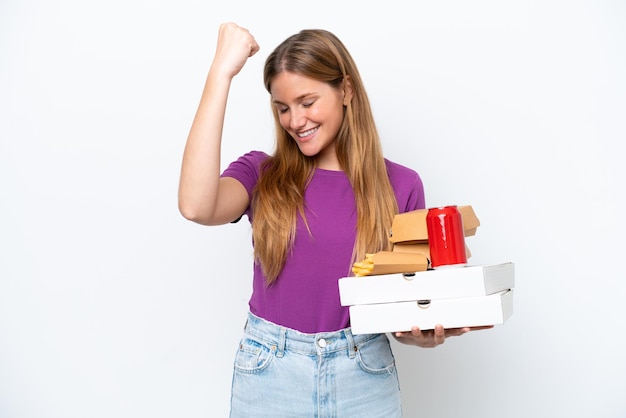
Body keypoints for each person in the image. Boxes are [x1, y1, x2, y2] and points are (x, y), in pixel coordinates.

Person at [179, 22, 488, 417]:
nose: (295, 120)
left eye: (308, 102)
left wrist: (420, 333)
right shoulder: (261, 173)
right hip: (271, 373)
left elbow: (402, 306)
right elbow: (195, 205)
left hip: (362, 374)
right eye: (283, 107)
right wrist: (220, 73)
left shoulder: (402, 185)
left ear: (346, 90)